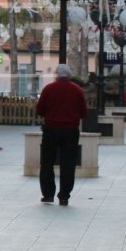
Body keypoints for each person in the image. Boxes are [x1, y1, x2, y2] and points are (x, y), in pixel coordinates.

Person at [35, 64, 86, 206]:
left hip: (51, 129)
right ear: (69, 75)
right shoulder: (77, 90)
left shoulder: (48, 89)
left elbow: (40, 110)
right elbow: (84, 112)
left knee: (47, 162)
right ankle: (64, 196)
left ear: (56, 75)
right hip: (70, 130)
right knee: (68, 163)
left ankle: (48, 194)